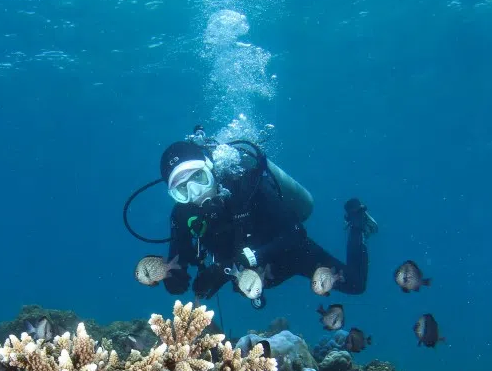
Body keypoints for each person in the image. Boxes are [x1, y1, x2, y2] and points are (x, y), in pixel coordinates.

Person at [123, 126, 378, 308]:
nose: (196, 192)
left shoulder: (245, 185)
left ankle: (357, 222)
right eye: (182, 190)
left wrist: (231, 266)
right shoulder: (182, 215)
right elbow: (178, 262)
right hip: (247, 278)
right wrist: (172, 279)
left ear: (211, 168)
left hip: (287, 253)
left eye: (199, 177)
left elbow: (296, 233)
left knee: (355, 284)